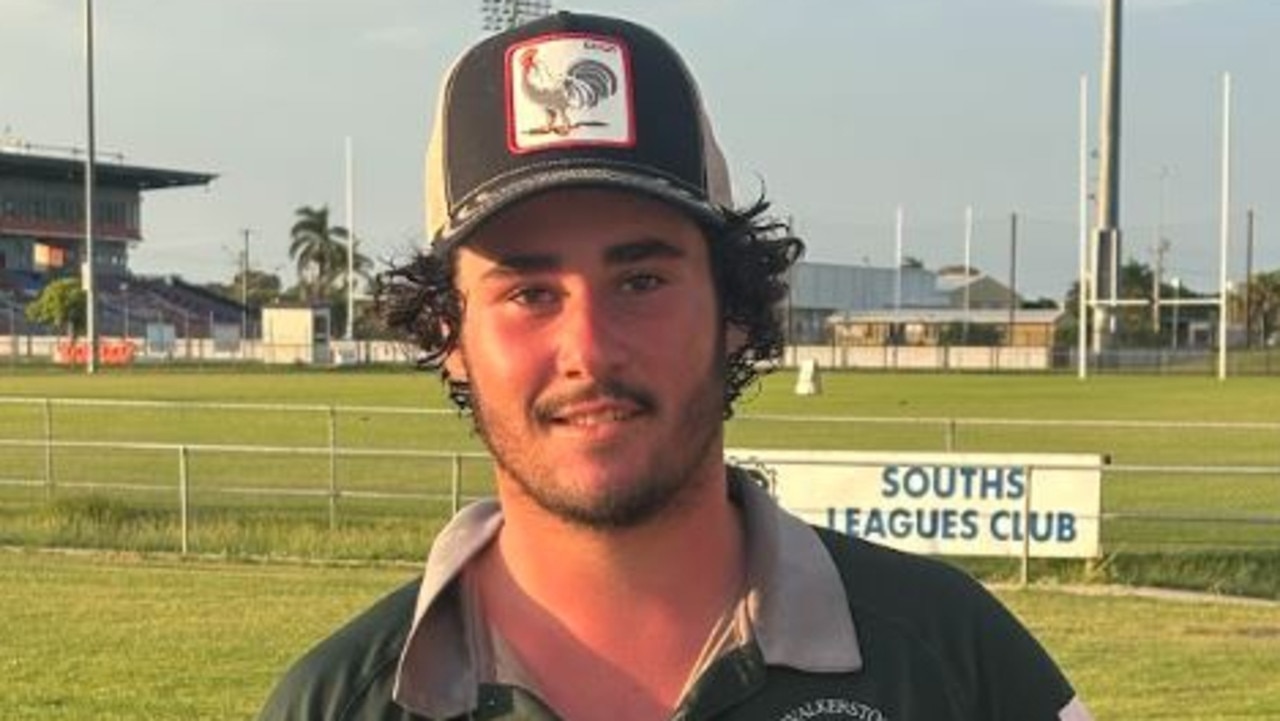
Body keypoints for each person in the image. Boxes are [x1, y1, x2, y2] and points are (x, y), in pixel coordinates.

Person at [257, 11, 1094, 721]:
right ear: (451, 331)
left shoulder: (955, 662)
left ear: (734, 308)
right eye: (529, 292)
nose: (588, 348)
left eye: (642, 279)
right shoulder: (339, 701)